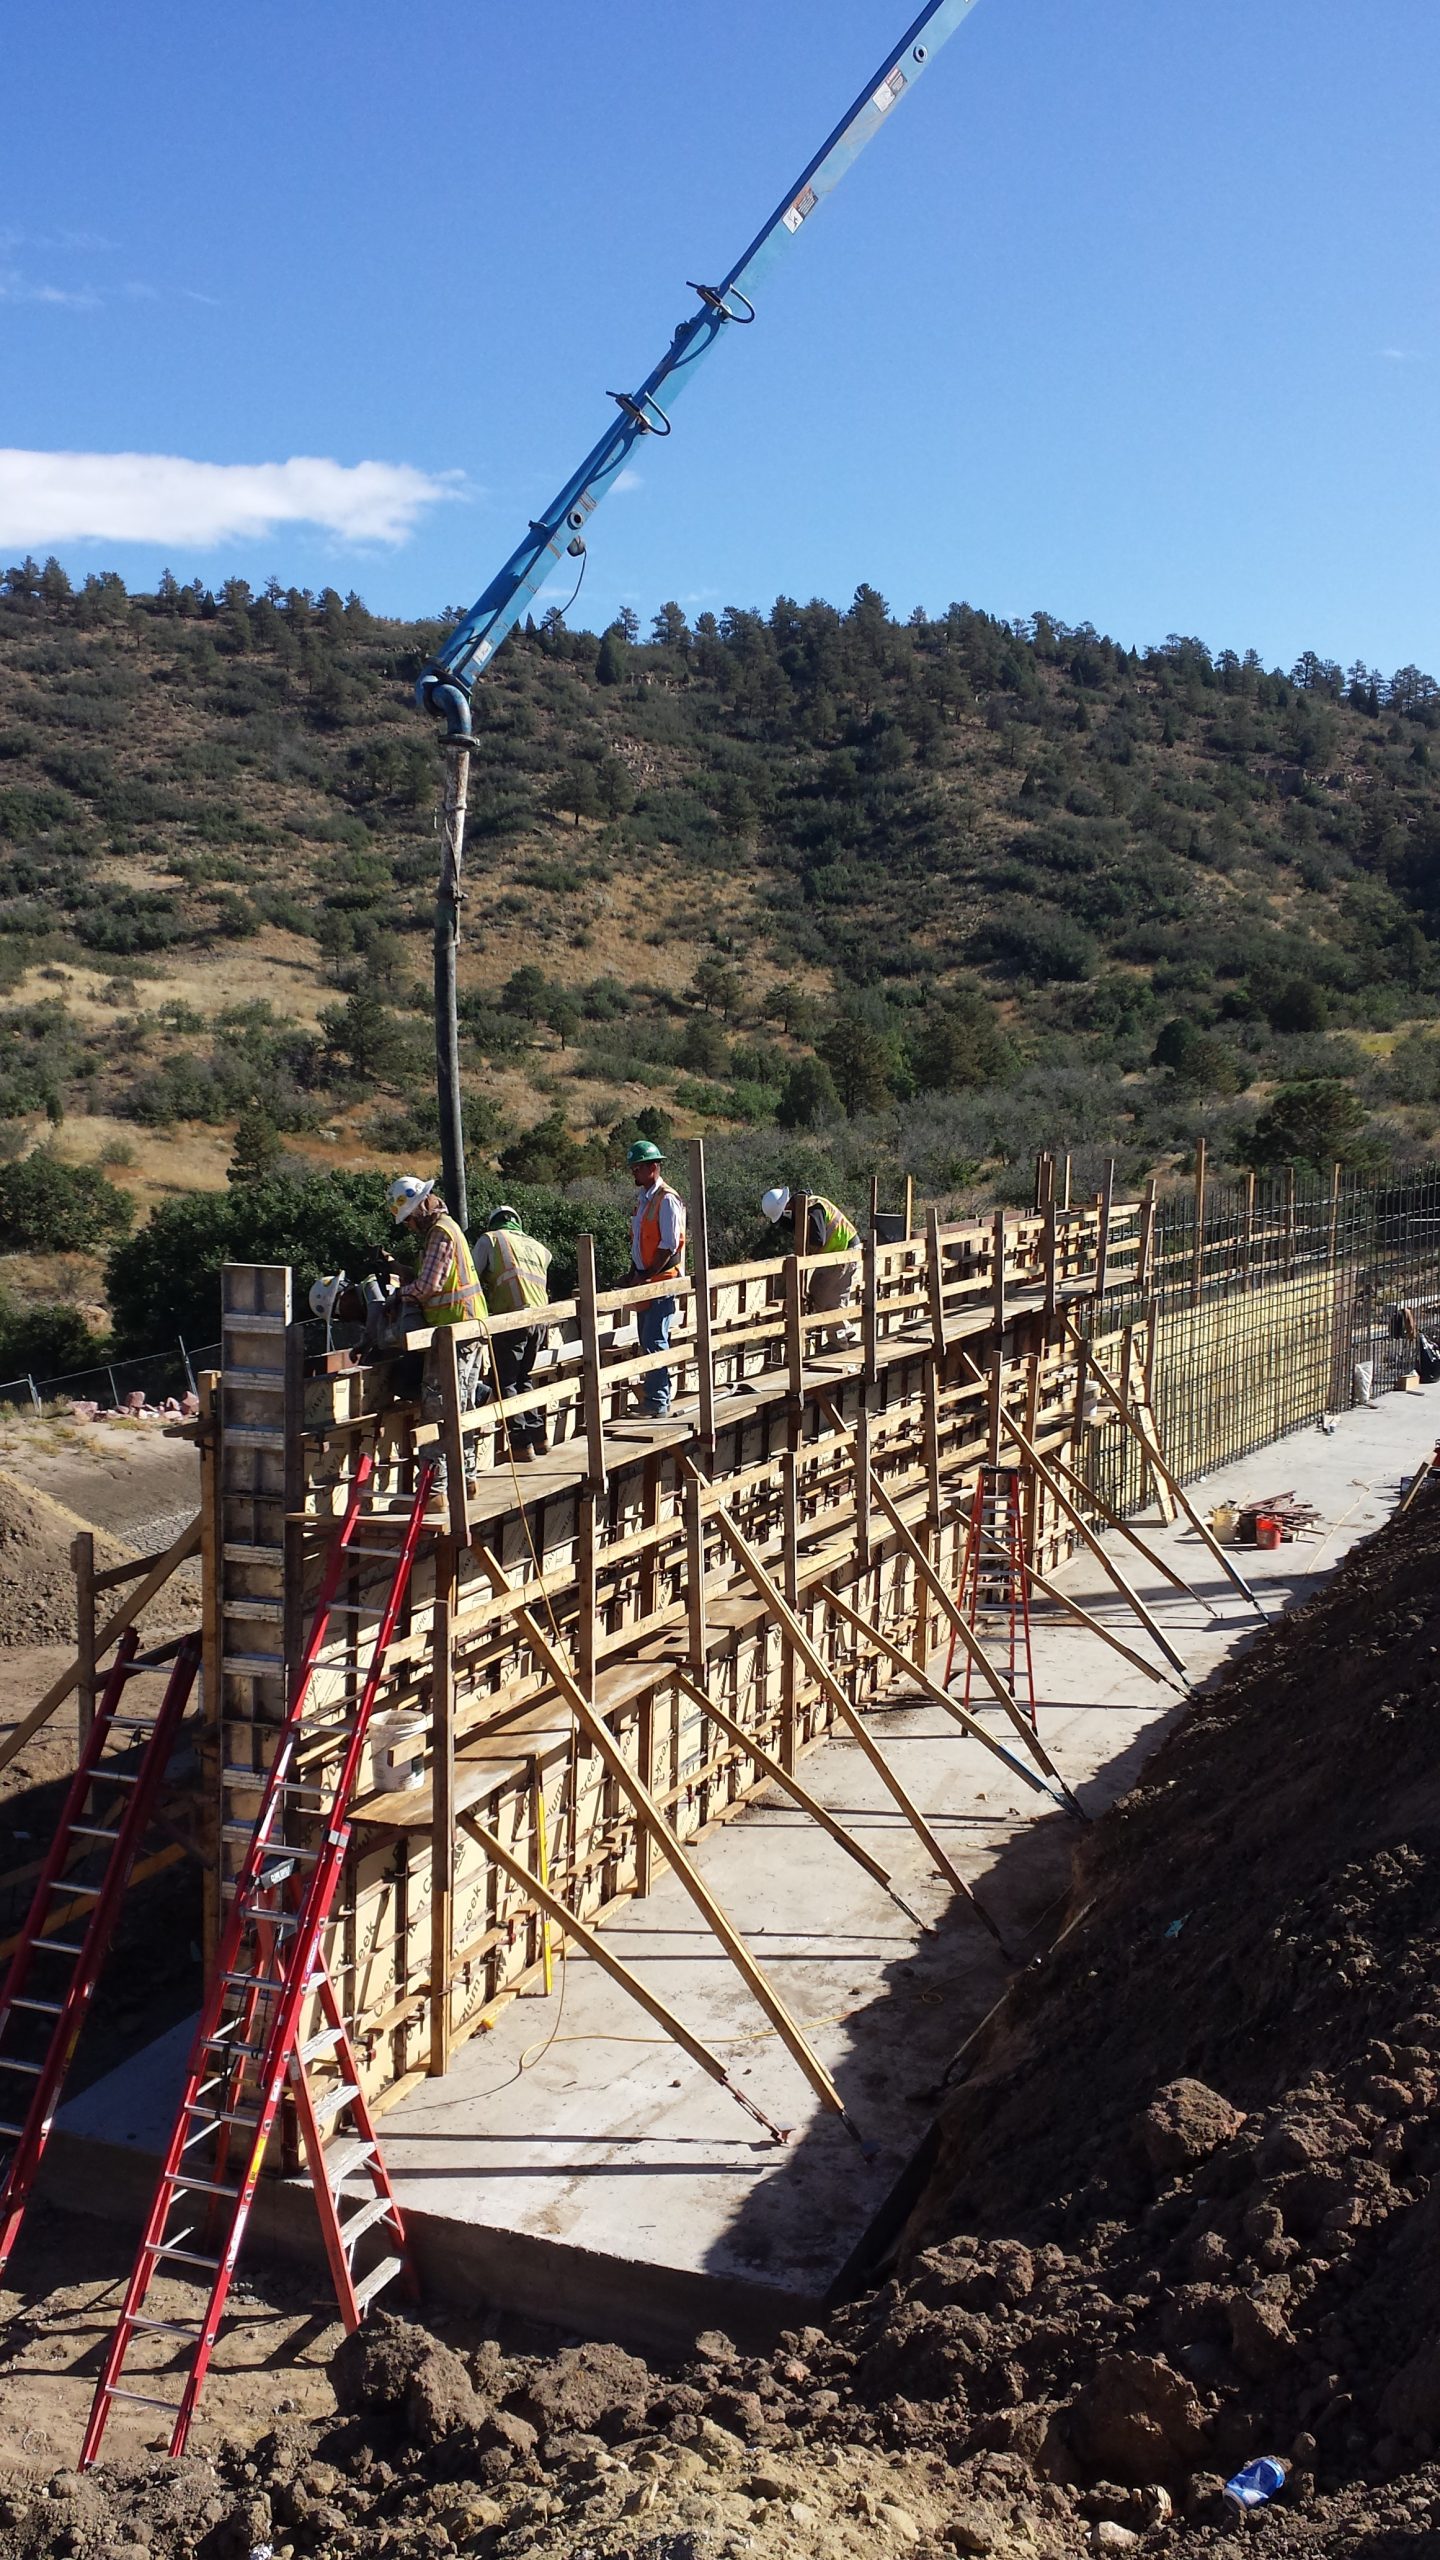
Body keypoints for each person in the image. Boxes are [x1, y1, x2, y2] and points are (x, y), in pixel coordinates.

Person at [387, 1175, 486, 1501]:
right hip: (467, 1329)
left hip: (451, 1333)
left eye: (409, 1220)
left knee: (438, 1410)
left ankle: (436, 1490)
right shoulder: (448, 1229)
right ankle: (467, 1478)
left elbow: (428, 1287)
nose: (410, 1227)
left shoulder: (440, 1233)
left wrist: (400, 1295)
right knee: (464, 1408)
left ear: (419, 1209)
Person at [472, 1204, 553, 1463]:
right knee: (523, 1379)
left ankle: (521, 1446)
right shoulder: (537, 1247)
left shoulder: (491, 1240)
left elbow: (471, 1277)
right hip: (540, 1321)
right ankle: (540, 1438)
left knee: (504, 1382)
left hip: (512, 1318)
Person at [761, 1184, 862, 1347]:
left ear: (787, 1206)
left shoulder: (812, 1207)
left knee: (821, 1291)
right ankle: (843, 1332)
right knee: (835, 1296)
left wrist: (802, 1261)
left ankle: (839, 1338)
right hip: (843, 1250)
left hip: (842, 1251)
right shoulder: (806, 1208)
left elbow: (817, 1240)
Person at [628, 1140, 687, 1417]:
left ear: (653, 1167)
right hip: (647, 1281)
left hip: (661, 1281)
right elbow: (640, 1242)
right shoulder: (644, 1201)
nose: (634, 1173)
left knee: (655, 1340)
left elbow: (669, 1244)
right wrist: (633, 1274)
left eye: (638, 1168)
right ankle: (654, 1397)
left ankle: (657, 1401)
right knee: (648, 1339)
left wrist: (646, 1274)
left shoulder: (666, 1200)